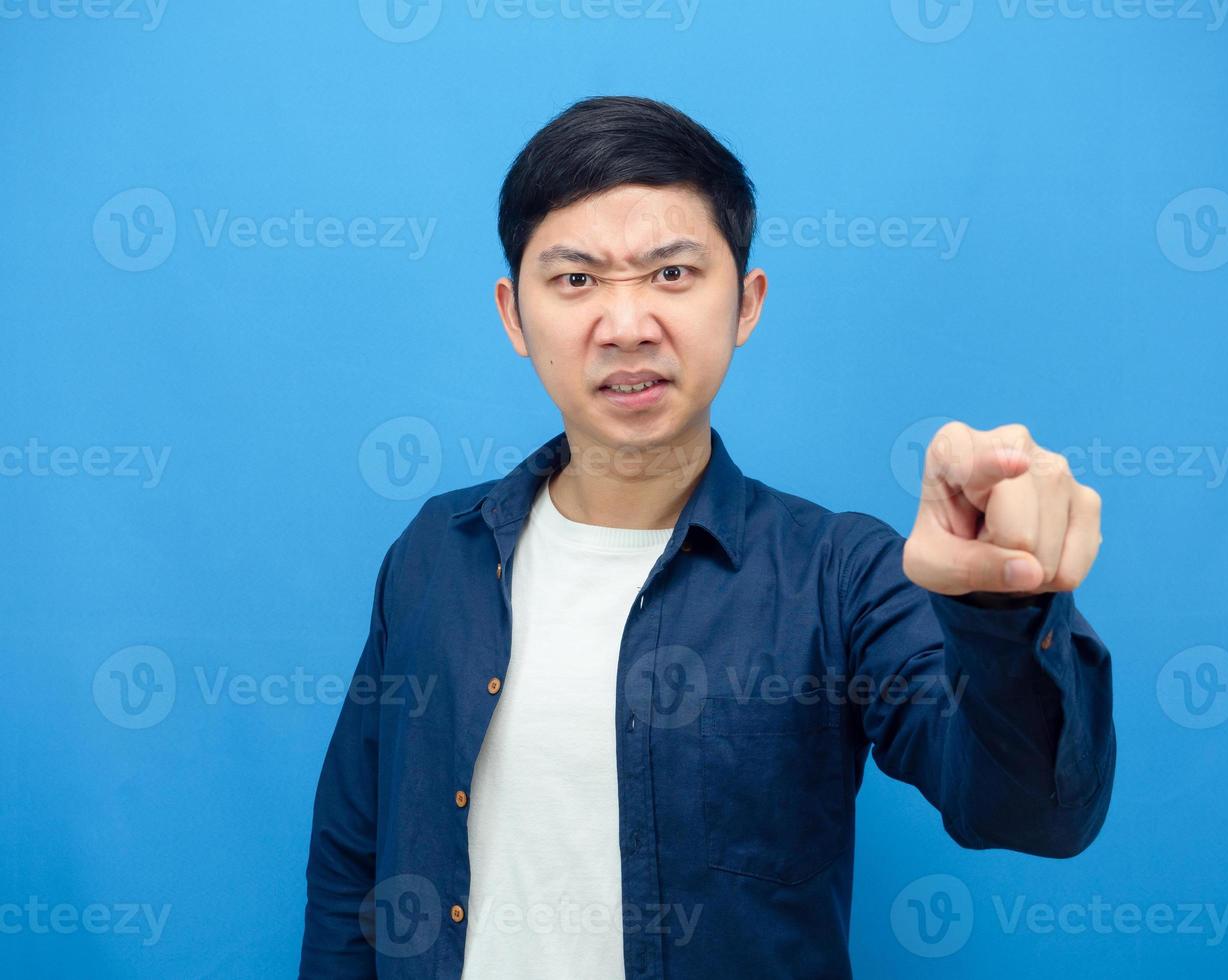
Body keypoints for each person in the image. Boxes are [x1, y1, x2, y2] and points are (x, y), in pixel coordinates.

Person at [298, 95, 1115, 979]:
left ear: (746, 301)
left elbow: (1031, 813)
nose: (625, 325)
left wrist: (999, 605)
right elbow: (353, 864)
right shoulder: (434, 553)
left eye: (672, 274)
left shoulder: (837, 575)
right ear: (512, 314)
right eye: (575, 280)